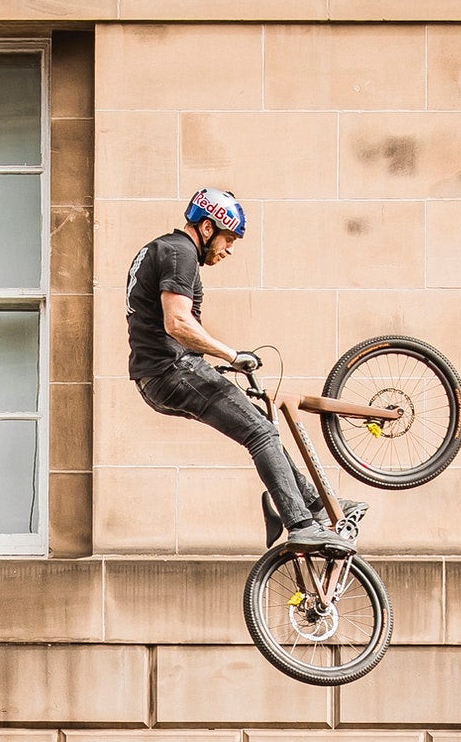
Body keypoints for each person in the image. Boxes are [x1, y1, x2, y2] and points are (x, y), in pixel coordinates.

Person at [125, 188, 361, 548]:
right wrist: (231, 355)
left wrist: (225, 365)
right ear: (207, 228)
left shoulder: (164, 250)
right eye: (228, 238)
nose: (230, 249)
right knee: (261, 433)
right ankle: (300, 523)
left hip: (161, 373)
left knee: (258, 425)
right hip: (173, 370)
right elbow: (177, 324)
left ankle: (309, 502)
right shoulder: (180, 254)